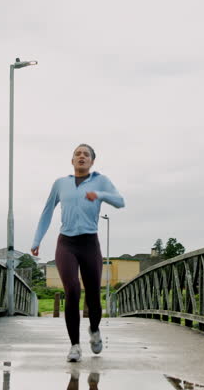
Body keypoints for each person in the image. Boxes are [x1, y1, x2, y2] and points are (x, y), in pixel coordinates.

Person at [31, 143, 125, 362]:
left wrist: (100, 194)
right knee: (72, 290)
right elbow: (47, 212)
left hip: (90, 244)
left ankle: (94, 330)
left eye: (86, 155)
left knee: (93, 295)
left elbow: (120, 201)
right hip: (66, 244)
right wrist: (37, 240)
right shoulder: (60, 184)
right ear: (72, 160)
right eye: (77, 154)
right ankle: (74, 346)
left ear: (92, 162)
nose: (81, 156)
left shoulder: (101, 180)